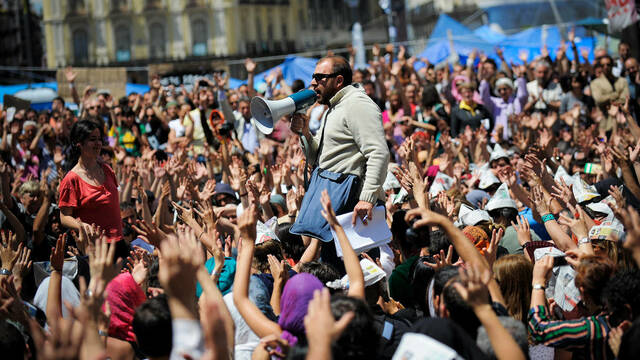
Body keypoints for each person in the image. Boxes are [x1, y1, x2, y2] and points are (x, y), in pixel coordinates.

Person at [290, 55, 389, 240]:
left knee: (360, 266)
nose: (313, 82)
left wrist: (366, 198)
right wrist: (304, 132)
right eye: (313, 76)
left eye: (320, 77)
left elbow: (378, 152)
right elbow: (315, 158)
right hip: (339, 204)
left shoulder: (357, 104)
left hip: (354, 208)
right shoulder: (336, 107)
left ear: (339, 80)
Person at [58, 120, 126, 256]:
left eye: (99, 139)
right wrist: (83, 226)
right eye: (92, 139)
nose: (98, 144)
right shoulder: (72, 179)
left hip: (119, 242)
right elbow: (64, 216)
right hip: (95, 247)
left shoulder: (107, 169)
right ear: (79, 143)